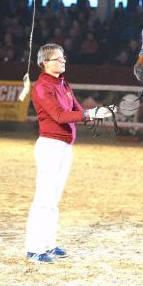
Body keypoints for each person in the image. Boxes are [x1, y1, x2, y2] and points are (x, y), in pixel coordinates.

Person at [25, 43, 115, 263]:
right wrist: (89, 113)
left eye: (63, 57)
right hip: (50, 146)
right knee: (44, 198)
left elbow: (76, 110)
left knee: (54, 198)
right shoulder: (42, 87)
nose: (63, 61)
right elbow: (59, 115)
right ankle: (34, 248)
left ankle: (48, 243)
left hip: (65, 146)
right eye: (58, 58)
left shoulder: (64, 84)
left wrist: (96, 113)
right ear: (45, 62)